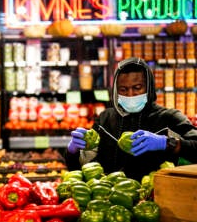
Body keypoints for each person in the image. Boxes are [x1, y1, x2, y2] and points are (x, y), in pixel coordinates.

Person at [66, 57, 197, 181]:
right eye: (123, 89)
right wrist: (73, 151)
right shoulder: (104, 121)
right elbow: (81, 168)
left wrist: (166, 143)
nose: (130, 94)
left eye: (137, 88)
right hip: (110, 200)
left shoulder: (169, 118)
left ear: (149, 88)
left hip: (157, 199)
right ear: (116, 91)